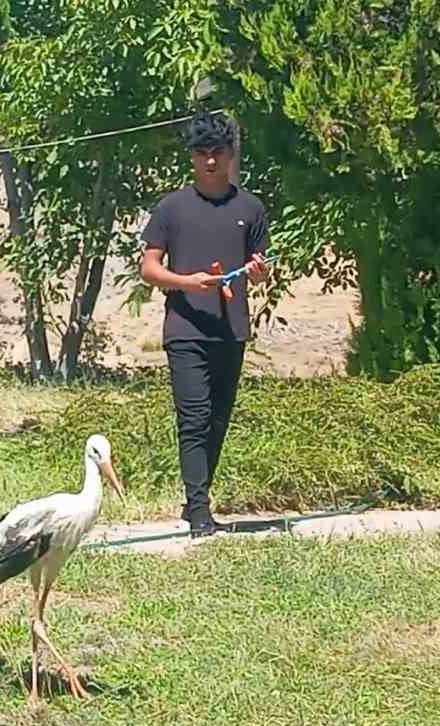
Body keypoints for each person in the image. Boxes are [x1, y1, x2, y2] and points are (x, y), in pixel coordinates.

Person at [139, 111, 271, 538]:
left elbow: (260, 265)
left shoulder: (250, 208)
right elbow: (149, 268)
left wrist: (257, 272)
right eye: (202, 153)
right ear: (192, 158)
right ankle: (199, 511)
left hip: (231, 328)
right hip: (185, 328)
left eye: (218, 153)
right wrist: (185, 283)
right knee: (192, 418)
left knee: (217, 419)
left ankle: (195, 497)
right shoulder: (171, 208)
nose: (211, 161)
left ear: (231, 155)